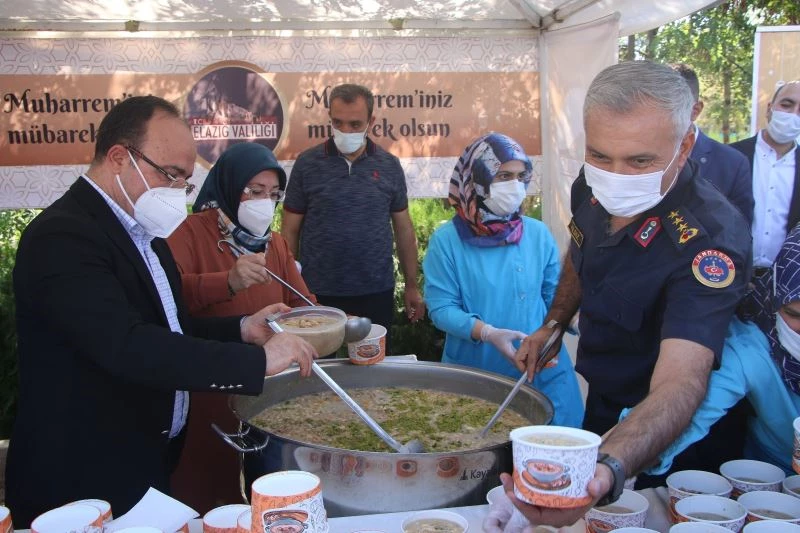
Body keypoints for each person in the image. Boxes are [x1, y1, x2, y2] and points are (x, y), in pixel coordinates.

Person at [5, 96, 318, 526]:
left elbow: (173, 327)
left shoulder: (146, 236)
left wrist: (243, 329)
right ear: (119, 158)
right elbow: (127, 346)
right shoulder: (63, 237)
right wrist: (258, 360)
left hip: (144, 461)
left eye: (185, 181)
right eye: (170, 175)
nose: (177, 192)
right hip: (81, 479)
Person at [504, 61, 751, 527]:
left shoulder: (709, 240)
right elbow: (581, 250)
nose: (615, 175)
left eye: (640, 161)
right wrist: (554, 322)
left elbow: (682, 381)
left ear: (685, 146)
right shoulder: (591, 185)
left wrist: (609, 468)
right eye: (600, 155)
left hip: (675, 433)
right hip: (604, 394)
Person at [166, 142, 316, 512]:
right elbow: (166, 298)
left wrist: (327, 323)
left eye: (273, 194)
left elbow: (301, 304)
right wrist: (227, 281)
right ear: (229, 187)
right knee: (204, 484)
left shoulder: (275, 244)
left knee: (262, 483)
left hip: (266, 386)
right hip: (207, 383)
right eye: (254, 191)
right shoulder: (186, 232)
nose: (264, 202)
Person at [422, 133, 584, 428]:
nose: (515, 186)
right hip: (476, 374)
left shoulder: (536, 233)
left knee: (553, 458)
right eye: (503, 176)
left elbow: (555, 296)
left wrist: (566, 326)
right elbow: (441, 309)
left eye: (521, 176)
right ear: (478, 180)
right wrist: (488, 333)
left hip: (541, 370)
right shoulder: (447, 241)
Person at [633, 223, 800, 476]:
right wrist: (620, 459)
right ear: (775, 297)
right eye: (794, 314)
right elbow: (687, 410)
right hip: (774, 481)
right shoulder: (752, 349)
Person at [281, 84, 425, 350]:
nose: (345, 131)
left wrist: (412, 286)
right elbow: (289, 230)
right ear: (329, 118)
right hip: (317, 293)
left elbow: (404, 229)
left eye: (355, 124)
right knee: (317, 374)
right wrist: (292, 286)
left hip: (374, 291)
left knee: (370, 374)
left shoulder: (389, 165)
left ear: (371, 122)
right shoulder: (307, 164)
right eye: (338, 122)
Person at [731, 80, 800, 273]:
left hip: (785, 282)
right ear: (770, 109)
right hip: (731, 275)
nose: (793, 115)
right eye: (786, 105)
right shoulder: (731, 157)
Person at [671, 63, 753, 224]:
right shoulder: (630, 153)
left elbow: (739, 229)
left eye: (670, 105)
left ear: (696, 110)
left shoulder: (733, 164)